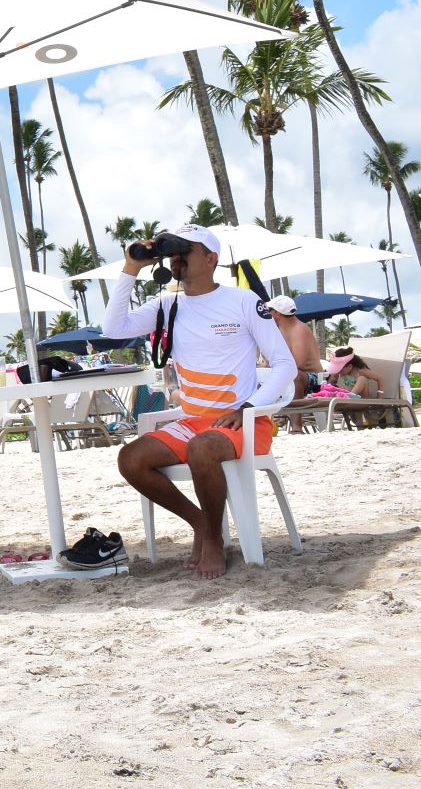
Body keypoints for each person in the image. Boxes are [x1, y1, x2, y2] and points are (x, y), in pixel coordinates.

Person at [103, 225, 296, 580]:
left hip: (244, 422)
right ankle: (204, 526)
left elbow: (285, 364)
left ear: (211, 259)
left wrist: (249, 408)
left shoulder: (242, 301)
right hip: (193, 422)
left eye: (185, 250)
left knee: (202, 449)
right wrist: (132, 267)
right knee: (131, 459)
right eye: (173, 251)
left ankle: (211, 540)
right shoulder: (166, 304)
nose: (177, 257)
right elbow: (113, 328)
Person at [264, 295, 323, 401]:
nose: (268, 313)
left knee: (293, 375)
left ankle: (296, 416)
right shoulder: (280, 330)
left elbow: (299, 364)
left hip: (314, 379)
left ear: (278, 313)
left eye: (269, 310)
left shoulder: (299, 330)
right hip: (291, 374)